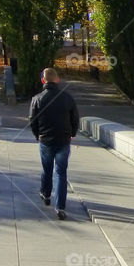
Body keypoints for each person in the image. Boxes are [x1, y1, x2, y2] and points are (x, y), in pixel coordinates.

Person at [29, 67, 80, 220]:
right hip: (63, 140)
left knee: (47, 168)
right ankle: (60, 207)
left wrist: (37, 134)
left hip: (45, 139)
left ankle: (45, 194)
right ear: (57, 80)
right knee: (61, 172)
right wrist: (72, 134)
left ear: (43, 80)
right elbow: (75, 119)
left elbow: (32, 120)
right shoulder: (68, 98)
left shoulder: (37, 99)